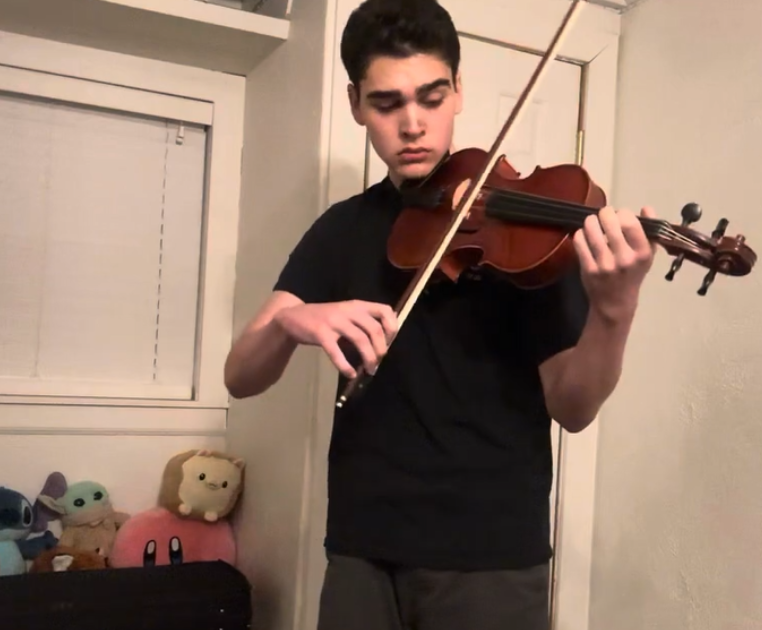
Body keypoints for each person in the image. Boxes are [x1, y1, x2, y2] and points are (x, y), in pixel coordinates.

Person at [223, 0, 659, 628]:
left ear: (459, 90)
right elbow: (241, 375)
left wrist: (614, 313)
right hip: (360, 551)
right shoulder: (341, 230)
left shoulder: (524, 229)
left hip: (491, 561)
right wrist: (292, 323)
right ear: (355, 105)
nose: (413, 125)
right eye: (387, 103)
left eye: (431, 98)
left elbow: (574, 407)